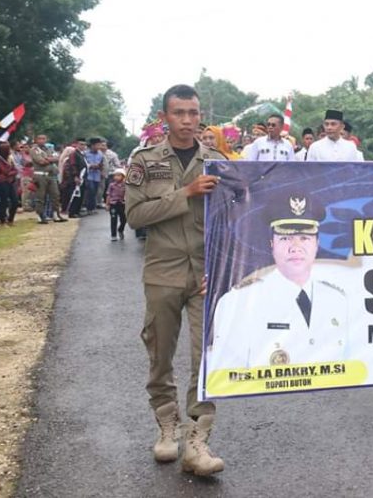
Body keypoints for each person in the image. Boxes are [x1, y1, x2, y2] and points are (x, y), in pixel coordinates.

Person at [125, 84, 226, 476]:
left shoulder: (217, 161)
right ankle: (167, 424)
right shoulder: (145, 161)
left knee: (207, 357)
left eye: (193, 113)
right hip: (163, 271)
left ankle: (197, 441)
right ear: (164, 117)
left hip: (205, 274)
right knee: (160, 352)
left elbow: (233, 220)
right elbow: (135, 216)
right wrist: (185, 193)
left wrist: (222, 269)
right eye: (179, 113)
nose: (187, 120)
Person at [208, 193, 348, 371]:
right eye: (285, 238)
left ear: (317, 243)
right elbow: (227, 373)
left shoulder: (338, 300)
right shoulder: (239, 302)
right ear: (272, 244)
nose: (295, 247)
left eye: (304, 238)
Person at [31, 135, 65, 224]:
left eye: (44, 139)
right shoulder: (34, 150)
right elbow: (41, 161)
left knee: (56, 195)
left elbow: (57, 158)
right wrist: (50, 159)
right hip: (40, 175)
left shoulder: (49, 149)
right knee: (40, 197)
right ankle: (40, 215)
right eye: (40, 139)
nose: (42, 140)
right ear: (36, 140)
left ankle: (56, 214)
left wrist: (49, 159)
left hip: (51, 175)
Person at [0, 141, 20, 225]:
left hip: (10, 182)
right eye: (8, 149)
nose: (10, 151)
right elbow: (5, 171)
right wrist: (11, 170)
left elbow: (16, 170)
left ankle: (10, 219)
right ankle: (2, 220)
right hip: (2, 183)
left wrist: (11, 172)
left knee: (15, 201)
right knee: (3, 202)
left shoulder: (10, 159)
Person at [84, 138, 105, 212]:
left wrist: (102, 171)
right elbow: (84, 164)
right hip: (88, 175)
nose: (99, 147)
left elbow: (102, 164)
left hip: (97, 175)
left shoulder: (100, 154)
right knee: (90, 190)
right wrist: (91, 166)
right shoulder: (85, 154)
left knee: (95, 191)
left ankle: (92, 208)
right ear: (92, 145)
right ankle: (88, 207)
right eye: (97, 145)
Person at [106, 168, 127, 241]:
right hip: (113, 204)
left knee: (124, 219)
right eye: (115, 175)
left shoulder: (125, 185)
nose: (116, 177)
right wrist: (107, 204)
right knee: (113, 219)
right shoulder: (111, 185)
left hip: (122, 204)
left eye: (119, 175)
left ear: (123, 177)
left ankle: (121, 229)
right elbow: (108, 195)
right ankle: (113, 235)